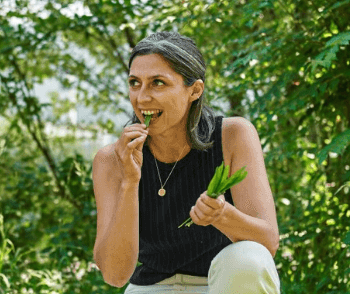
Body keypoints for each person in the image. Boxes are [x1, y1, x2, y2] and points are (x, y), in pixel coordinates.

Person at [92, 31, 281, 293]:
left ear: (194, 90)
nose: (142, 97)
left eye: (158, 83)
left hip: (222, 284)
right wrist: (129, 181)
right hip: (151, 287)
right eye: (135, 83)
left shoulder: (233, 135)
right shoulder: (111, 160)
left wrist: (222, 214)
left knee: (248, 258)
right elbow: (114, 274)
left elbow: (267, 244)